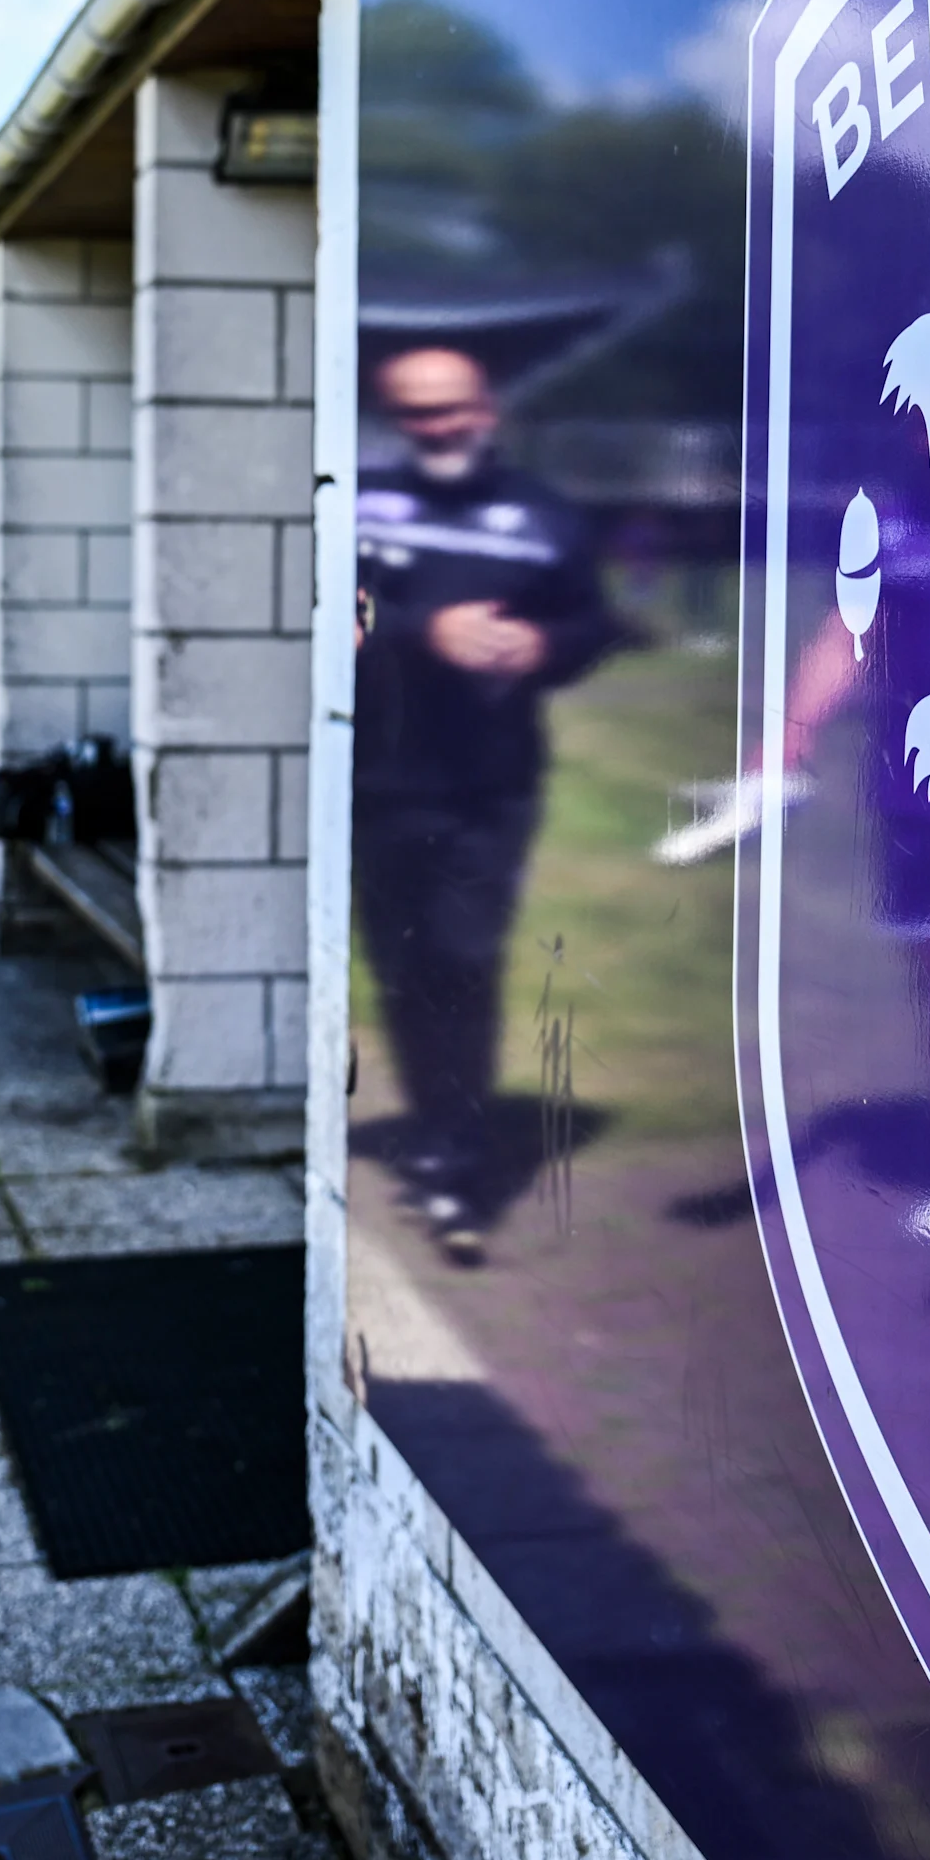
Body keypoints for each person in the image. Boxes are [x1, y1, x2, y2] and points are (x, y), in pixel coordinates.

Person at [349, 345, 630, 1260]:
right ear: (397, 418)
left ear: (487, 410)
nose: (438, 426)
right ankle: (437, 1125)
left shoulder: (545, 516)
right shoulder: (356, 504)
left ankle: (458, 1158)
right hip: (380, 778)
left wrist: (540, 646)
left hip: (492, 785)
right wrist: (422, 631)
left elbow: (594, 624)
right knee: (405, 966)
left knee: (465, 958)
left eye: (453, 408)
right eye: (417, 412)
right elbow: (321, 608)